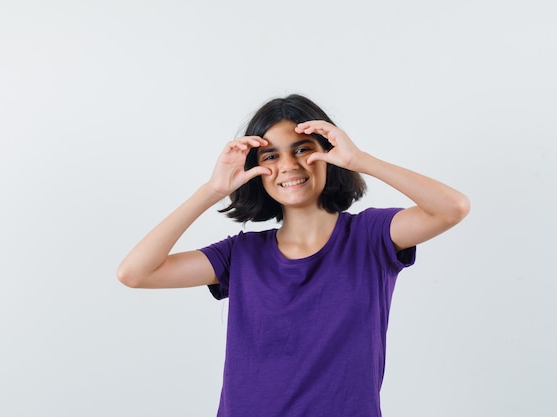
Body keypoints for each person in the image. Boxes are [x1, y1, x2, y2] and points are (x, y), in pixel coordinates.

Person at [117, 94, 470, 416]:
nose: (288, 165)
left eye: (302, 149)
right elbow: (135, 273)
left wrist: (360, 160)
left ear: (329, 154)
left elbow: (452, 208)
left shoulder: (371, 236)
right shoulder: (240, 254)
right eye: (271, 155)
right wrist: (212, 191)